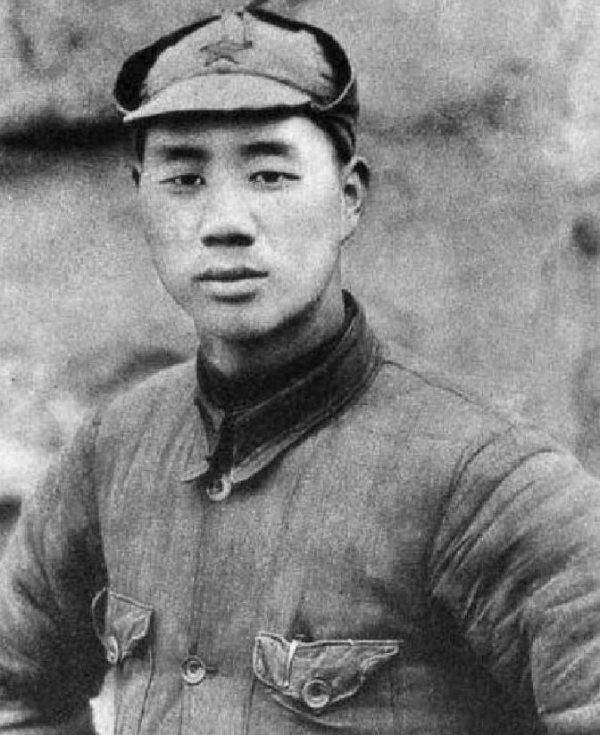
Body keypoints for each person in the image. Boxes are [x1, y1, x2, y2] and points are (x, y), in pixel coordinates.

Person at [1, 6, 600, 734]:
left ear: (349, 197)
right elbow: (14, 694)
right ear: (140, 196)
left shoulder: (492, 485)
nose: (225, 221)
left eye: (269, 174)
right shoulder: (115, 451)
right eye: (184, 178)